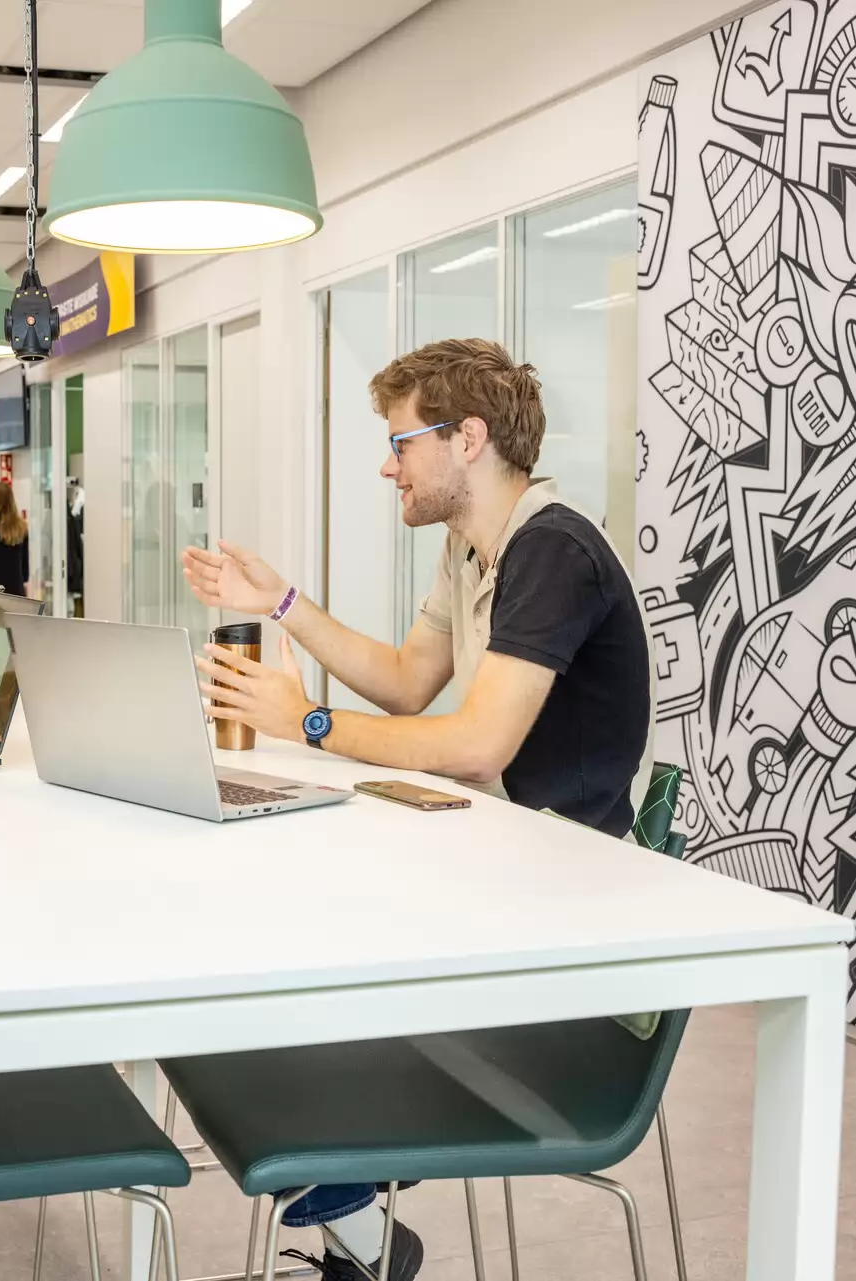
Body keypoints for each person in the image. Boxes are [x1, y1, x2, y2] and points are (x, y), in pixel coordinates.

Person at [181, 338, 652, 1281]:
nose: (386, 463)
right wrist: (280, 603)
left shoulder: (550, 550)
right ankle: (357, 1229)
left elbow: (478, 743)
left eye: (401, 443)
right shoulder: (471, 545)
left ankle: (350, 1205)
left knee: (294, 942)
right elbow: (405, 685)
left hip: (561, 908)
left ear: (467, 438)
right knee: (269, 926)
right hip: (499, 864)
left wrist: (305, 719)